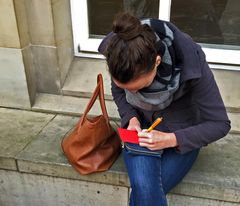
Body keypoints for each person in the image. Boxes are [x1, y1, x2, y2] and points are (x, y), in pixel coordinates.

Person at [98, 13, 231, 206]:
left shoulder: (190, 59)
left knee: (143, 193)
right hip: (141, 135)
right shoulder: (121, 52)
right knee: (144, 189)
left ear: (157, 62)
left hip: (182, 135)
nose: (132, 93)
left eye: (138, 87)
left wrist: (171, 139)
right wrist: (131, 119)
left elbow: (220, 124)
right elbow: (119, 91)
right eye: (128, 89)